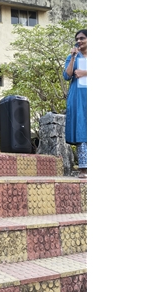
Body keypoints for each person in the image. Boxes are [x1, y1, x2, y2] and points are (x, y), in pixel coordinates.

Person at [63, 29, 87, 179]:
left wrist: (85, 73)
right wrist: (72, 57)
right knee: (81, 129)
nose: (79, 41)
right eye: (77, 39)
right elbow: (67, 76)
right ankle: (84, 169)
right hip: (78, 97)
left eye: (82, 38)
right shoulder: (73, 56)